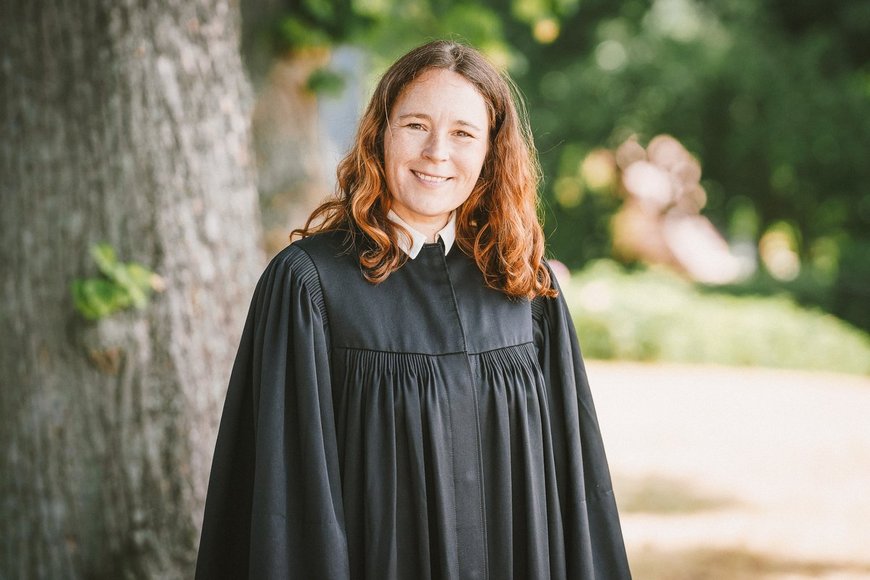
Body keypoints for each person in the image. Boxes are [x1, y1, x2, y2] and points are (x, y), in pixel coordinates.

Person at [195, 40, 631, 579]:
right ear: (380, 133)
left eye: (463, 133)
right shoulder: (311, 285)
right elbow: (289, 501)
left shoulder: (523, 286)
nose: (437, 153)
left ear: (492, 152)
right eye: (416, 126)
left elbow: (576, 490)